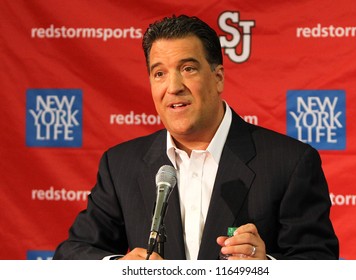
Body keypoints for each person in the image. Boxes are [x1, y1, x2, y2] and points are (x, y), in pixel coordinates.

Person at [53, 14, 339, 260]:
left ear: (218, 78)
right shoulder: (121, 165)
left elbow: (319, 263)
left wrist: (267, 266)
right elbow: (72, 254)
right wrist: (121, 267)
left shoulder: (289, 162)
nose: (173, 86)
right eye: (159, 73)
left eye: (187, 69)